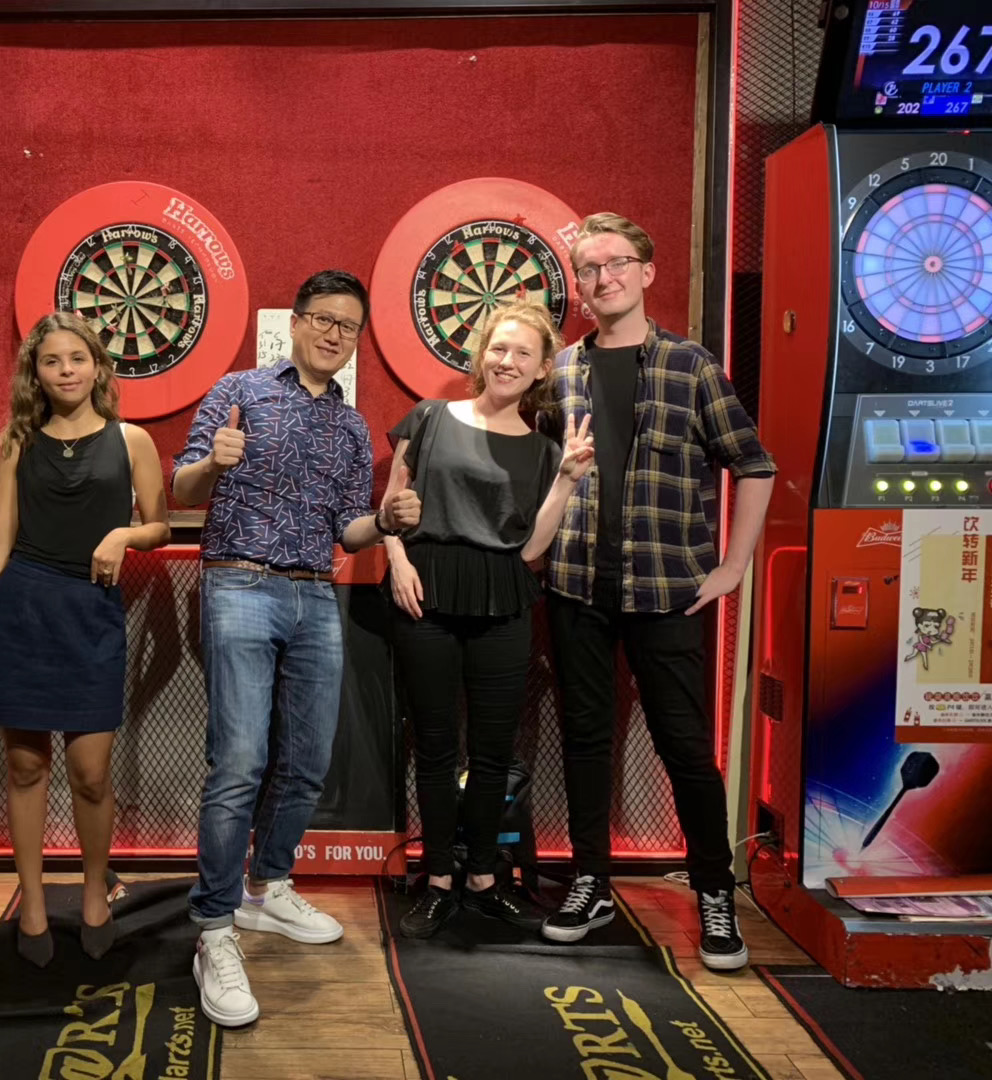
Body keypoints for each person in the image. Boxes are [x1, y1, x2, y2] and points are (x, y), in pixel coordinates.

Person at [172, 270, 420, 1026]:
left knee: (308, 761)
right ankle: (214, 928)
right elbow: (183, 489)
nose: (334, 334)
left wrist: (385, 523)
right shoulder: (239, 389)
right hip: (239, 583)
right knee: (240, 761)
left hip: (316, 593)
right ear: (297, 322)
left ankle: (266, 887)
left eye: (349, 326)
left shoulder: (351, 426)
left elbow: (348, 529)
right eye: (323, 319)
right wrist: (214, 462)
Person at [538, 213, 775, 971]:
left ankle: (713, 889)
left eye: (615, 263)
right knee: (584, 740)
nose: (602, 278)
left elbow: (754, 464)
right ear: (578, 286)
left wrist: (734, 567)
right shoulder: (562, 372)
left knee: (685, 746)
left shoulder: (690, 366)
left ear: (645, 271)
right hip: (575, 586)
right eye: (588, 269)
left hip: (669, 589)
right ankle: (591, 881)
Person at [0, 312, 170, 966]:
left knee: (90, 773)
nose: (66, 371)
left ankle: (93, 894)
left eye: (77, 358)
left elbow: (161, 526)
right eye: (52, 361)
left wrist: (124, 534)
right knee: (26, 768)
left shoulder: (131, 440)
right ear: (37, 373)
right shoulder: (18, 441)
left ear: (98, 366)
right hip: (22, 610)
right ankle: (30, 904)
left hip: (92, 613)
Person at [383, 297, 593, 939]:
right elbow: (392, 503)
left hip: (503, 595)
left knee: (494, 750)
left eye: (523, 353)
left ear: (542, 369)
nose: (507, 361)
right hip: (426, 587)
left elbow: (531, 550)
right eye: (499, 348)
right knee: (435, 747)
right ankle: (438, 879)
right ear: (481, 353)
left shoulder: (545, 451)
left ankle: (482, 877)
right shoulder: (429, 417)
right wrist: (397, 561)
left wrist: (566, 480)